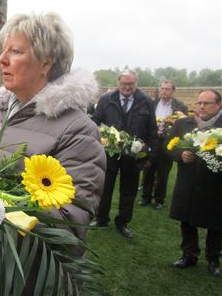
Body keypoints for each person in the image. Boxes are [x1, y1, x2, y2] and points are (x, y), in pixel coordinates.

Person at [0, 12, 106, 295]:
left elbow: (69, 227)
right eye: (4, 50)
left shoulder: (78, 130)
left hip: (30, 280)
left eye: (15, 51)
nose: (2, 59)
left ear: (45, 63)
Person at [91, 69, 158, 238]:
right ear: (118, 83)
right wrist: (102, 137)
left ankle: (123, 223)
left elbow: (152, 130)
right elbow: (95, 122)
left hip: (134, 155)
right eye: (124, 84)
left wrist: (150, 155)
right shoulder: (107, 99)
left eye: (131, 84)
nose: (127, 87)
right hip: (109, 153)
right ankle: (101, 218)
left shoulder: (146, 102)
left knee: (129, 191)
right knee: (105, 187)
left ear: (136, 83)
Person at [168, 89, 222, 277]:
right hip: (189, 181)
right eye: (199, 103)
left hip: (216, 184)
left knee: (216, 222)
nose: (201, 107)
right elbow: (168, 147)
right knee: (187, 219)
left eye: (206, 103)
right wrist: (180, 155)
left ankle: (214, 258)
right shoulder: (184, 124)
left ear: (218, 105)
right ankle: (189, 255)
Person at [139, 80, 188, 209]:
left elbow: (185, 126)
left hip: (167, 143)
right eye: (162, 88)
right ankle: (145, 197)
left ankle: (159, 200)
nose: (164, 91)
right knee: (148, 169)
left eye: (167, 89)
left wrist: (176, 123)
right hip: (152, 141)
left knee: (163, 172)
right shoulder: (152, 103)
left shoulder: (180, 106)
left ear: (173, 91)